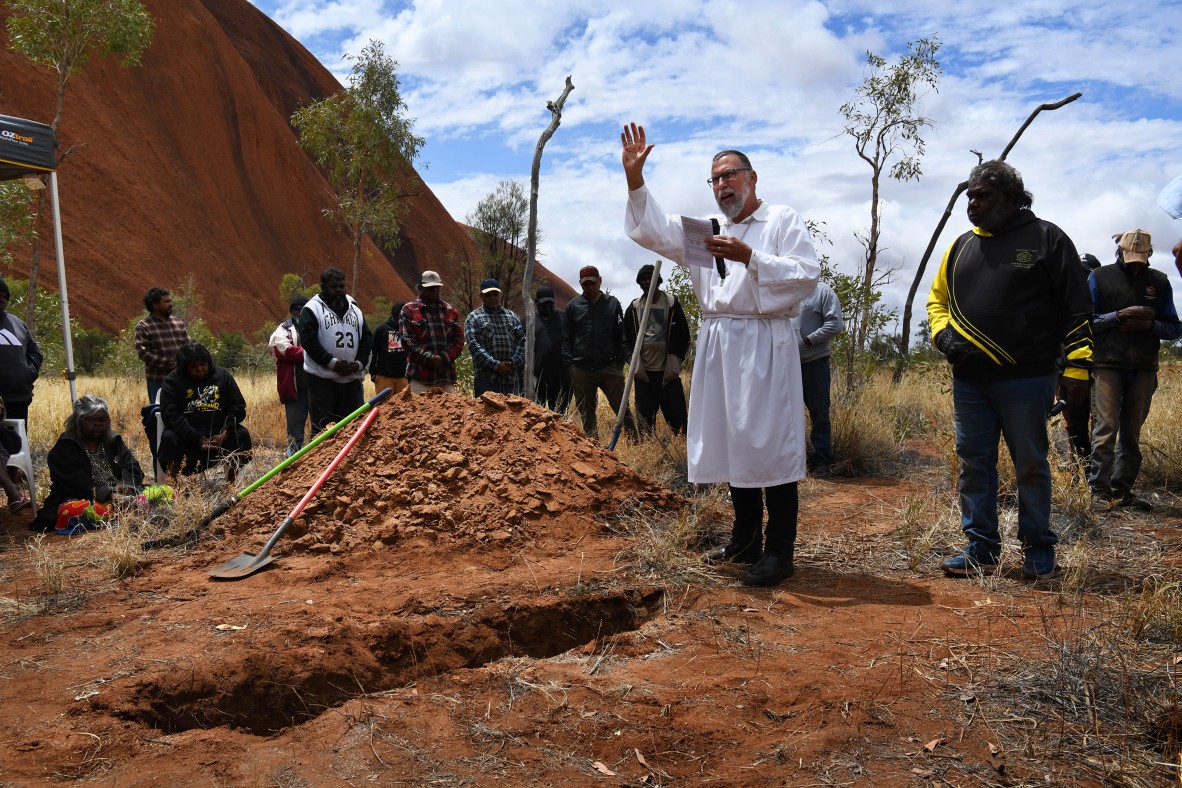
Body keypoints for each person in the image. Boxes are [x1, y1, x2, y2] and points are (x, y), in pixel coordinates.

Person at [621, 122, 819, 587]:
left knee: (768, 443)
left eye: (730, 175)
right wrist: (635, 178)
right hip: (718, 346)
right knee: (734, 442)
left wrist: (751, 257)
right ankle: (745, 538)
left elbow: (806, 275)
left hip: (763, 344)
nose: (722, 185)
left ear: (752, 178)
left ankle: (780, 550)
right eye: (714, 179)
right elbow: (655, 231)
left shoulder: (781, 220)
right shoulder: (706, 231)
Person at [927, 160, 1092, 580]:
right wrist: (943, 336)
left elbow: (1076, 308)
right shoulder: (961, 246)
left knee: (1031, 462)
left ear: (1012, 199)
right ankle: (981, 547)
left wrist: (1077, 370)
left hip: (1027, 377)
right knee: (974, 463)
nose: (972, 204)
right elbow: (937, 302)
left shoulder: (1047, 239)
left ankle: (1038, 546)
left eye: (982, 196)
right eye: (969, 196)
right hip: (970, 382)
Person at [1088, 229, 1182, 510]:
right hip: (1106, 364)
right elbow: (1085, 321)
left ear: (1150, 254)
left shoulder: (1160, 282)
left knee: (1131, 432)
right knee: (1106, 429)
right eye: (1131, 257)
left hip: (1143, 366)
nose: (1136, 263)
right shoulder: (1099, 277)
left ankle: (1122, 491)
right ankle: (1099, 492)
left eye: (1141, 258)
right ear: (1119, 252)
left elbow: (1175, 327)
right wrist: (1116, 317)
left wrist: (1150, 326)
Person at [30, 395, 144, 532]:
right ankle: (119, 514)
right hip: (85, 498)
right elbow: (75, 483)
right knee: (72, 510)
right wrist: (109, 494)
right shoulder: (65, 447)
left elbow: (132, 467)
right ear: (79, 421)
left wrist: (126, 488)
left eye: (103, 419)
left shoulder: (114, 441)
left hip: (123, 494)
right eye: (92, 419)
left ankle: (119, 512)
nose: (98, 424)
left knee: (162, 492)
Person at [158, 342, 252, 484]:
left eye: (203, 364)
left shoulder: (223, 377)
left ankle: (231, 482)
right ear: (184, 368)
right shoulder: (173, 381)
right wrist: (194, 436)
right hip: (187, 431)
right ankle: (173, 484)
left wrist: (225, 432)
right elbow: (170, 414)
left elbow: (238, 408)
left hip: (219, 431)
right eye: (194, 367)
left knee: (242, 434)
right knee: (169, 438)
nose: (200, 369)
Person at [562, 265, 637, 440]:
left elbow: (620, 335)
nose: (589, 287)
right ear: (581, 284)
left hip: (609, 367)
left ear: (600, 281)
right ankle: (593, 448)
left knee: (622, 407)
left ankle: (635, 441)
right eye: (585, 284)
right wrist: (570, 365)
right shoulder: (573, 306)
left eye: (592, 283)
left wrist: (618, 363)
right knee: (587, 413)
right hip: (581, 369)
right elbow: (566, 337)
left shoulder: (612, 303)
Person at [298, 268, 372, 433]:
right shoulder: (312, 309)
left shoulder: (355, 308)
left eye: (341, 286)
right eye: (333, 287)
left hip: (351, 380)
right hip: (322, 380)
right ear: (323, 287)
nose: (339, 290)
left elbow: (367, 338)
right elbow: (308, 341)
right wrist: (332, 363)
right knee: (323, 430)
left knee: (353, 428)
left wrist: (359, 364)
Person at [623, 263, 690, 435]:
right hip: (644, 375)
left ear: (658, 280)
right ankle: (649, 455)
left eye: (650, 278)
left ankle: (684, 454)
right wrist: (632, 361)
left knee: (679, 422)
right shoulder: (634, 307)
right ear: (639, 283)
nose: (647, 282)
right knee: (645, 424)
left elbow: (684, 335)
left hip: (668, 374)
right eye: (643, 279)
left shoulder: (671, 303)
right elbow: (624, 340)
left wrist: (677, 360)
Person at [792, 280, 844, 474]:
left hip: (814, 362)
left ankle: (822, 461)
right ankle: (793, 461)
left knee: (819, 413)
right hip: (786, 364)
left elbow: (835, 324)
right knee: (786, 413)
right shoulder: (786, 290)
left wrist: (809, 340)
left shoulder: (822, 291)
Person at [1061, 254, 1103, 459]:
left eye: (1087, 273)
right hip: (1071, 368)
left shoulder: (1103, 298)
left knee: (1100, 421)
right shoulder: (1064, 297)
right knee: (1074, 422)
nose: (1083, 277)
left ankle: (1093, 464)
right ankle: (1080, 463)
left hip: (1100, 367)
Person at [400, 270, 464, 394]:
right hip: (420, 378)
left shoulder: (451, 311)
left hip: (446, 377)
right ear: (421, 287)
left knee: (451, 412)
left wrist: (443, 357)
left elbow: (458, 340)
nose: (433, 290)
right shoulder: (408, 310)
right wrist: (431, 359)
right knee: (419, 412)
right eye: (429, 287)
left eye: (436, 287)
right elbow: (407, 341)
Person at [465, 278, 525, 396]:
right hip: (487, 380)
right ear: (481, 296)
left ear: (499, 294)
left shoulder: (512, 316)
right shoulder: (474, 318)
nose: (492, 297)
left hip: (511, 379)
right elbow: (474, 346)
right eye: (488, 295)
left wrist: (513, 362)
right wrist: (496, 366)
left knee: (512, 414)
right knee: (486, 414)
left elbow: (521, 342)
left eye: (495, 294)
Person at [268, 294, 311, 455]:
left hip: (316, 386)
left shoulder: (316, 327)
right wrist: (312, 353)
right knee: (295, 430)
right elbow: (283, 350)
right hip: (294, 387)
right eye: (298, 310)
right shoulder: (283, 329)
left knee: (321, 425)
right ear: (293, 311)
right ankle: (293, 462)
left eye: (306, 310)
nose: (301, 313)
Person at [134, 287, 190, 403]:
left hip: (182, 378)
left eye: (170, 301)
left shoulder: (178, 323)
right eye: (167, 302)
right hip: (158, 380)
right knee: (159, 414)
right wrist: (168, 363)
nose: (171, 304)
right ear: (155, 304)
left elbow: (188, 346)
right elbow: (143, 352)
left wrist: (181, 363)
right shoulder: (144, 326)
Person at [0, 277, 43, 422]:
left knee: (16, 443)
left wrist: (27, 373)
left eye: (5, 296)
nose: (2, 299)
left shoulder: (18, 324)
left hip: (18, 400)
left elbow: (35, 353)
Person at [533, 285, 571, 412]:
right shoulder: (528, 321)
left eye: (550, 302)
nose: (547, 306)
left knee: (560, 419)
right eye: (543, 303)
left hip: (563, 380)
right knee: (537, 418)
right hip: (537, 382)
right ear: (536, 302)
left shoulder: (565, 319)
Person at [370, 301, 409, 395]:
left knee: (404, 408)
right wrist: (373, 374)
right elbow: (372, 351)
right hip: (384, 377)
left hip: (403, 378)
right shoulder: (382, 329)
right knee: (385, 407)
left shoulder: (408, 330)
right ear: (395, 315)